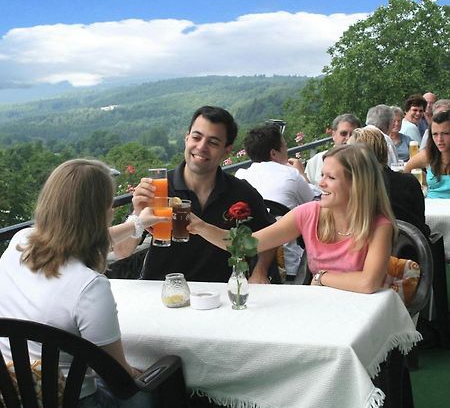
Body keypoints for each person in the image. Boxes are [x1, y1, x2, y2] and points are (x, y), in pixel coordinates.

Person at [0, 159, 169, 407]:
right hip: (71, 401)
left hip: (11, 394)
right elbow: (118, 378)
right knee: (150, 389)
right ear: (101, 214)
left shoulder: (19, 243)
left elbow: (76, 240)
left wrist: (137, 223)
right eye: (110, 205)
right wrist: (145, 375)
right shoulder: (89, 288)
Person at [188, 144, 396, 294]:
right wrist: (201, 226)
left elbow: (368, 283)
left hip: (363, 312)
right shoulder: (308, 213)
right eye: (322, 175)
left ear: (357, 186)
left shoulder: (379, 225)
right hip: (322, 307)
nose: (320, 183)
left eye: (330, 178)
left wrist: (321, 278)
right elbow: (244, 245)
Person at [114, 106, 278, 284]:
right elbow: (122, 252)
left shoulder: (241, 192)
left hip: (219, 293)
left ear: (227, 151)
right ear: (186, 138)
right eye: (196, 137)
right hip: (161, 289)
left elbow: (270, 235)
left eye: (213, 142)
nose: (201, 147)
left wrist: (259, 271)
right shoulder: (157, 189)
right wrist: (137, 214)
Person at [235, 124, 314, 280]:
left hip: (248, 263)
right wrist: (302, 174)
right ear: (274, 153)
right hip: (290, 267)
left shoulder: (240, 175)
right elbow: (314, 205)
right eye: (285, 146)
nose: (287, 150)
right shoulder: (291, 174)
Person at [349, 127, 430, 237]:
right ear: (385, 150)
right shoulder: (409, 181)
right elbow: (421, 223)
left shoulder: (352, 188)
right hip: (412, 248)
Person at [305, 113, 361, 186]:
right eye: (343, 133)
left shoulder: (363, 162)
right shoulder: (316, 161)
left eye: (353, 134)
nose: (348, 138)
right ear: (333, 135)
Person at [405, 110, 450, 199]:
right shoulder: (428, 155)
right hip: (430, 209)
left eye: (445, 133)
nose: (439, 139)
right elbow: (406, 170)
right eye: (435, 134)